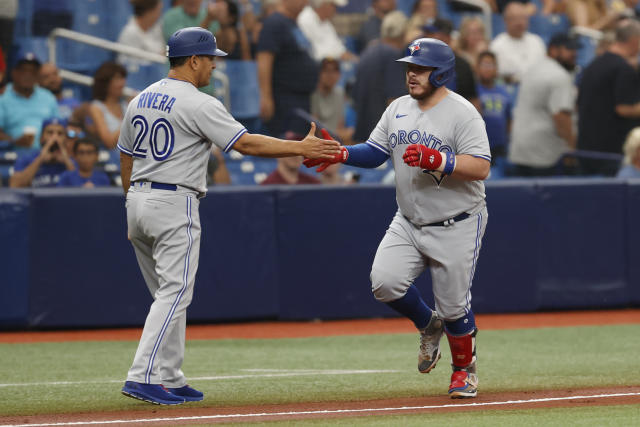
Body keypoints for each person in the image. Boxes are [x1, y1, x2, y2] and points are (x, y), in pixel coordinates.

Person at [117, 27, 339, 405]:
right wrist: (299, 147)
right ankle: (142, 376)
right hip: (173, 201)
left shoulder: (141, 97)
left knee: (167, 295)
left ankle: (169, 375)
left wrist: (130, 204)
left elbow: (125, 153)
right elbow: (246, 143)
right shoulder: (199, 102)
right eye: (210, 59)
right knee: (174, 293)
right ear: (193, 60)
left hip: (138, 198)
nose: (214, 66)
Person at [304, 38, 491, 399]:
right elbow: (375, 152)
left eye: (420, 69)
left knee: (454, 306)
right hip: (408, 219)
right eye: (409, 68)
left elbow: (481, 166)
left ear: (442, 73)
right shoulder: (398, 108)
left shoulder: (463, 112)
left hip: (457, 220)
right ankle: (427, 323)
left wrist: (439, 160)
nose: (411, 74)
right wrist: (341, 152)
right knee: (384, 283)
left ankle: (464, 369)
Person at [508, 33, 579, 177]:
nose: (574, 54)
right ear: (553, 50)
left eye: (575, 49)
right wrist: (572, 148)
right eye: (569, 49)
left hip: (520, 151)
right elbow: (561, 118)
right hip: (544, 156)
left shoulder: (533, 69)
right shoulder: (559, 76)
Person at [577, 19, 640, 176]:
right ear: (634, 41)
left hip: (587, 148)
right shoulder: (623, 69)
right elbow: (624, 109)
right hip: (610, 153)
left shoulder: (594, 64)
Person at [257, 0, 319, 137]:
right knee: (288, 148)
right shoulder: (274, 23)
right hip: (284, 100)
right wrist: (265, 96)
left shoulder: (294, 23)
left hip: (301, 99)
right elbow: (264, 59)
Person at [353, 11, 408, 142]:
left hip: (365, 131)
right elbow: (394, 101)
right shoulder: (392, 55)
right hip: (383, 137)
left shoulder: (368, 51)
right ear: (402, 34)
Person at [0, 53, 59, 150]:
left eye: (33, 71)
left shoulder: (48, 97)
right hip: (12, 156)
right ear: (14, 73)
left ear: (37, 75)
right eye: (24, 71)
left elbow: (58, 125)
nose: (28, 75)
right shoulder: (3, 97)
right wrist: (14, 141)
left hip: (45, 154)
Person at [422, 18, 480, 111]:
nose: (426, 37)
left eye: (431, 34)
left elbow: (473, 100)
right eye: (426, 33)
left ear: (446, 38)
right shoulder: (416, 63)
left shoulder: (462, 66)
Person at [489, 2, 546, 84]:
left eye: (523, 18)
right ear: (506, 21)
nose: (519, 23)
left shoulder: (537, 42)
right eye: (514, 18)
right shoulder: (496, 45)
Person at [9, 118, 75, 188]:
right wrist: (40, 159)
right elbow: (15, 185)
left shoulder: (73, 160)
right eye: (50, 133)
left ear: (65, 138)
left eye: (60, 133)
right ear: (41, 138)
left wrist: (66, 161)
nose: (55, 137)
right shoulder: (26, 159)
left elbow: (81, 187)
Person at [476, 51, 511, 165]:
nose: (487, 69)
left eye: (490, 65)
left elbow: (509, 119)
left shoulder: (504, 92)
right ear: (477, 68)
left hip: (500, 147)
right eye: (484, 65)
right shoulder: (473, 92)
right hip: (479, 148)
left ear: (496, 69)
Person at [311, 57, 352, 143]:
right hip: (319, 142)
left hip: (336, 139)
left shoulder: (339, 93)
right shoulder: (313, 94)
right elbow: (316, 129)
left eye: (334, 71)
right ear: (319, 73)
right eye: (326, 71)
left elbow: (340, 124)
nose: (330, 75)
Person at [89, 62, 128, 150]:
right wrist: (132, 114)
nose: (123, 83)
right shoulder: (96, 107)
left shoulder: (126, 106)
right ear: (106, 83)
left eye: (123, 78)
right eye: (118, 78)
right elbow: (109, 142)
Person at [116, 0, 165, 64]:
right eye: (158, 11)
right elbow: (128, 63)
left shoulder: (157, 28)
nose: (160, 15)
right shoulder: (130, 33)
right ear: (149, 13)